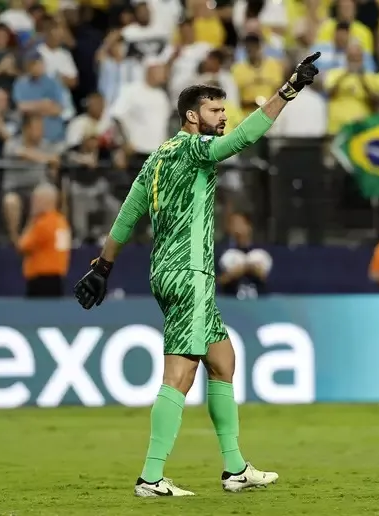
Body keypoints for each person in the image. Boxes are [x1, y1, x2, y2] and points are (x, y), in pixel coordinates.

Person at [73, 53, 321, 497]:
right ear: (192, 116)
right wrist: (288, 91)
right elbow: (243, 139)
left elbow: (127, 218)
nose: (223, 118)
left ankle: (235, 468)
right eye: (214, 111)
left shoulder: (156, 158)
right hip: (190, 272)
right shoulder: (192, 148)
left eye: (224, 110)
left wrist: (103, 267)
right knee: (180, 375)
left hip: (169, 272)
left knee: (222, 360)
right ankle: (150, 477)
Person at [16, 183, 71, 297]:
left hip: (40, 280)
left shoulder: (43, 224)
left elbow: (23, 245)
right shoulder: (62, 222)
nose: (33, 204)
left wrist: (31, 220)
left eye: (36, 200)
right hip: (58, 278)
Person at [217, 212, 271, 299]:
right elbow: (218, 281)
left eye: (240, 223)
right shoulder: (225, 254)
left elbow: (269, 279)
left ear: (249, 226)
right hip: (231, 303)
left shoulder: (261, 253)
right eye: (233, 224)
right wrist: (232, 274)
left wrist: (252, 269)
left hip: (259, 304)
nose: (236, 228)